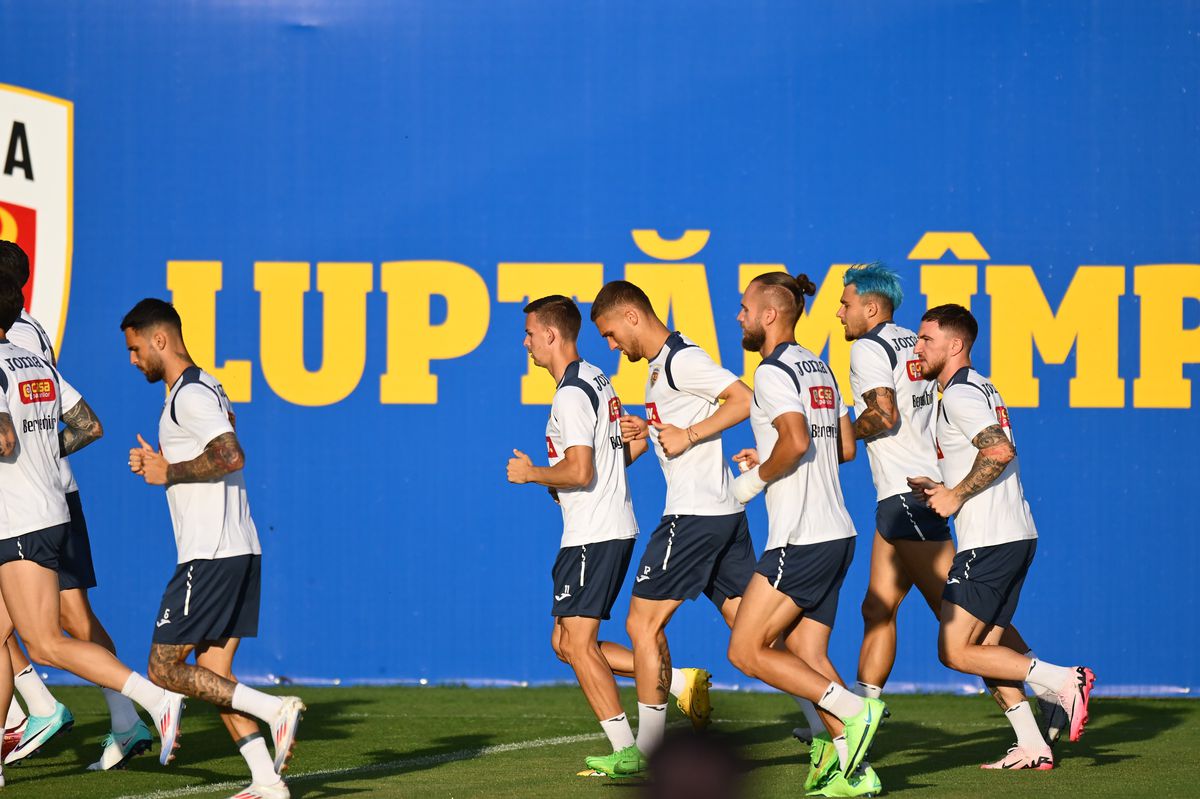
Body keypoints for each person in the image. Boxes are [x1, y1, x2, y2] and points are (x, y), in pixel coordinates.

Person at [834, 262, 1066, 745]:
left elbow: (882, 414)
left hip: (911, 497)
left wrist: (830, 440)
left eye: (846, 303)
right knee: (877, 609)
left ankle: (1046, 698)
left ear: (870, 307)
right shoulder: (908, 341)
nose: (839, 313)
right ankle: (860, 716)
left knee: (962, 626)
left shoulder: (867, 349)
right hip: (907, 493)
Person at [0, 276, 186, 787]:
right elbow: (87, 424)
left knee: (47, 640)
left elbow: (2, 436)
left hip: (21, 516)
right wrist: (39, 456)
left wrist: (27, 456)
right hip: (48, 502)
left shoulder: (7, 352)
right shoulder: (31, 353)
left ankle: (152, 700)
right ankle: (35, 716)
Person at [122, 298, 305, 799]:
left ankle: (275, 710)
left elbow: (230, 454)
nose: (134, 360)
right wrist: (164, 463)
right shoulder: (203, 387)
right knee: (215, 674)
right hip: (238, 548)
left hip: (211, 553)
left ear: (160, 339)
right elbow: (215, 447)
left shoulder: (189, 395)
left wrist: (170, 471)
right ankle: (267, 781)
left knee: (163, 668)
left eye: (137, 349)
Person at [908, 303, 1095, 770]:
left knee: (954, 650)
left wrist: (954, 495)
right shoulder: (975, 387)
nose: (918, 347)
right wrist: (944, 487)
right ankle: (1032, 744)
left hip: (991, 539)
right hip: (1010, 533)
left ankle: (1060, 680)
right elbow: (991, 456)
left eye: (927, 338)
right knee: (987, 652)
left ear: (956, 345)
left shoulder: (959, 394)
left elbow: (998, 450)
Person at [583, 280, 756, 778]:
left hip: (694, 516)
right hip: (722, 513)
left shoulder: (681, 359)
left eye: (612, 334)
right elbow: (685, 421)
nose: (612, 346)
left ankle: (647, 753)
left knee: (641, 626)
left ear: (632, 316)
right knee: (755, 639)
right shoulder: (662, 368)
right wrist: (654, 428)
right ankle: (831, 723)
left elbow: (742, 399)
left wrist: (690, 433)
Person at [725, 272, 884, 798]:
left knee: (746, 652)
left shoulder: (770, 371)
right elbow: (840, 449)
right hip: (838, 533)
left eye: (746, 307)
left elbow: (794, 444)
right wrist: (769, 453)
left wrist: (751, 479)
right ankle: (856, 773)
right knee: (810, 656)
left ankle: (854, 709)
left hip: (801, 537)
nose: (741, 316)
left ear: (771, 314)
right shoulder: (820, 367)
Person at [505, 295, 645, 774]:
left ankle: (629, 750)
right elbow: (625, 451)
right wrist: (561, 480)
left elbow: (581, 469)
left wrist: (534, 475)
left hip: (595, 532)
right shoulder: (596, 380)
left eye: (529, 333)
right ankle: (672, 678)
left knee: (580, 645)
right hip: (596, 528)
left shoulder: (570, 392)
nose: (525, 343)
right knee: (564, 643)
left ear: (551, 334)